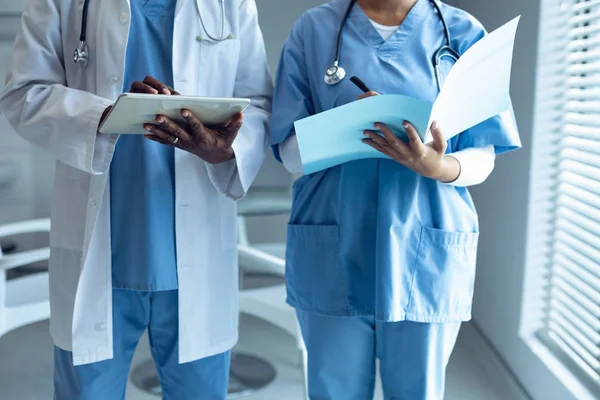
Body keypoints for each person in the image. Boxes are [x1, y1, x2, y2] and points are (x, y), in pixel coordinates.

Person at [0, 0, 272, 398]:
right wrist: (105, 114)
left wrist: (227, 149)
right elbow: (22, 93)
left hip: (194, 255)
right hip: (98, 251)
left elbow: (257, 102)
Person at [270, 0, 521, 398]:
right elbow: (289, 155)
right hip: (333, 246)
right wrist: (348, 125)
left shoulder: (462, 32)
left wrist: (436, 166)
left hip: (425, 251)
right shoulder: (314, 30)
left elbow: (483, 157)